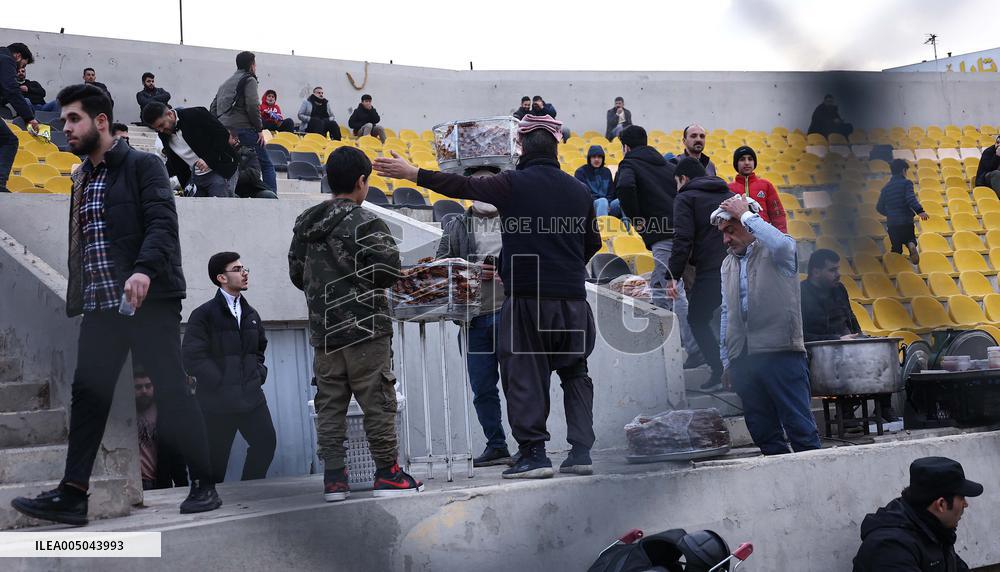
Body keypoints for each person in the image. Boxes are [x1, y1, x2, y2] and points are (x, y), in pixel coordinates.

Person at [10, 84, 221, 526]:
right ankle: (72, 494)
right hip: (103, 306)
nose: (64, 126)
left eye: (73, 119)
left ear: (100, 121)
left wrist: (143, 270)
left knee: (171, 389)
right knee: (88, 397)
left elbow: (162, 222)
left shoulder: (143, 165)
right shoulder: (81, 175)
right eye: (64, 119)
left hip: (151, 301)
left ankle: (204, 484)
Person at [374, 114, 602, 480]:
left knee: (525, 374)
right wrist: (554, 265)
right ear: (557, 146)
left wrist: (413, 173)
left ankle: (534, 454)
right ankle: (581, 453)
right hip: (573, 299)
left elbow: (460, 187)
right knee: (575, 372)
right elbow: (592, 243)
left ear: (522, 147)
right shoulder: (580, 190)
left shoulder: (514, 183)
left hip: (528, 298)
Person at [289, 146, 422, 501]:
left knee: (329, 404)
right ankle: (387, 474)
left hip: (325, 332)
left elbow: (296, 274)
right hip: (367, 329)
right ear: (362, 182)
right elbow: (388, 270)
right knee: (377, 401)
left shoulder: (305, 223)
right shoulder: (366, 222)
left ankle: (334, 479)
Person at [715, 194, 822, 455]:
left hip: (781, 352)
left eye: (731, 230)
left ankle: (814, 485)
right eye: (722, 233)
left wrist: (745, 214)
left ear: (748, 224)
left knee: (800, 427)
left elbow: (785, 245)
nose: (726, 239)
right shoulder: (727, 263)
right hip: (744, 359)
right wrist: (727, 360)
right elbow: (727, 312)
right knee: (763, 430)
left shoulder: (776, 253)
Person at [435, 183, 512, 467]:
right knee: (482, 387)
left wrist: (508, 268)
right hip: (474, 319)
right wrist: (474, 269)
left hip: (510, 312)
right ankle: (496, 445)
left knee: (518, 384)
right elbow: (439, 267)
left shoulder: (515, 220)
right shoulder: (456, 225)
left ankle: (529, 444)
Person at [183, 252, 276, 482]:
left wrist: (257, 374)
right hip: (217, 403)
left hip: (251, 398)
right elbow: (192, 357)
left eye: (244, 268)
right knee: (215, 463)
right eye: (237, 269)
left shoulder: (251, 314)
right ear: (221, 278)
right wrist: (220, 381)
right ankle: (212, 502)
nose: (244, 273)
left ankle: (250, 490)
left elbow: (259, 351)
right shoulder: (203, 315)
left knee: (266, 444)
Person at [615, 125, 696, 364]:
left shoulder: (629, 163)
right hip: (683, 232)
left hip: (663, 236)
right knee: (661, 290)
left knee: (671, 291)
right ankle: (667, 344)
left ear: (626, 147)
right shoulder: (666, 165)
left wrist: (636, 217)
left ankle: (694, 348)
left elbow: (624, 187)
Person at [800, 249, 897, 423]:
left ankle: (884, 407)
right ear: (815, 272)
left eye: (838, 269)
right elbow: (801, 335)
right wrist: (836, 339)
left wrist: (859, 337)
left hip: (844, 348)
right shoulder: (801, 294)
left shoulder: (839, 289)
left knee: (879, 349)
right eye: (832, 270)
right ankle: (846, 411)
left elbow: (849, 316)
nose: (838, 275)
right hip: (819, 353)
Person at [666, 158, 734, 391]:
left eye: (677, 182)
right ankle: (738, 371)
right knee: (734, 319)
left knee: (697, 318)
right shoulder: (728, 191)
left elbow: (682, 238)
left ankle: (718, 370)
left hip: (711, 268)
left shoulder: (685, 197)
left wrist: (672, 274)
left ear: (683, 178)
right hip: (736, 264)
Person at [853, 456, 983, 571]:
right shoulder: (891, 548)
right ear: (941, 504)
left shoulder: (934, 530)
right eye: (961, 498)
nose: (965, 504)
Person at [210, 51, 276, 193]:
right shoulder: (249, 79)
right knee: (267, 165)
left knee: (232, 165)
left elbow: (213, 108)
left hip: (224, 133)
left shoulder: (224, 84)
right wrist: (259, 129)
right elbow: (252, 105)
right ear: (252, 65)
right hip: (244, 130)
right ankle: (273, 199)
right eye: (255, 64)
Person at [143, 101, 239, 198]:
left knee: (221, 209)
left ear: (170, 114)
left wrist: (208, 160)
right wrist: (157, 176)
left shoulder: (196, 114)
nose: (161, 130)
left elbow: (222, 135)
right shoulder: (163, 134)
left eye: (161, 125)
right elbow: (174, 162)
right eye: (157, 129)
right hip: (195, 179)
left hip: (220, 169)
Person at [134, 365, 189, 490]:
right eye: (138, 387)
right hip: (135, 484)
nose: (144, 391)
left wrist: (183, 487)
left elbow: (176, 454)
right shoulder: (126, 415)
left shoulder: (164, 414)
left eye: (148, 386)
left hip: (161, 481)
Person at [0, 43, 38, 193]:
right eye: (22, 65)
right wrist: (29, 118)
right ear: (17, 56)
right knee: (9, 140)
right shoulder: (6, 59)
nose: (18, 70)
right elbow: (11, 89)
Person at [876, 159, 928, 265]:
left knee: (896, 248)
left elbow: (879, 207)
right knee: (910, 239)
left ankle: (896, 269)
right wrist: (920, 211)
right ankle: (911, 245)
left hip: (892, 223)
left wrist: (890, 213)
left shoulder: (886, 188)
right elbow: (910, 199)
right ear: (903, 170)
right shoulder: (906, 183)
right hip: (905, 220)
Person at [728, 145, 787, 233]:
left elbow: (777, 214)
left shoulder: (766, 185)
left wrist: (782, 235)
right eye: (742, 159)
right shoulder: (729, 188)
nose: (747, 162)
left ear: (754, 162)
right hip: (740, 237)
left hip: (764, 235)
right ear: (736, 163)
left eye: (750, 159)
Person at [575, 145, 620, 218]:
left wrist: (608, 204)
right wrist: (604, 203)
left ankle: (630, 227)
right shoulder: (581, 172)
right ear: (589, 159)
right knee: (602, 201)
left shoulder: (607, 171)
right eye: (594, 157)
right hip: (590, 206)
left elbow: (611, 193)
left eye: (599, 157)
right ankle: (601, 228)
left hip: (607, 205)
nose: (597, 159)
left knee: (622, 201)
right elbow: (583, 194)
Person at [231, 133, 279, 199]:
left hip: (249, 187)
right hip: (226, 189)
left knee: (269, 195)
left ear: (235, 139)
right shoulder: (219, 154)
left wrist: (233, 176)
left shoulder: (248, 153)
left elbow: (254, 174)